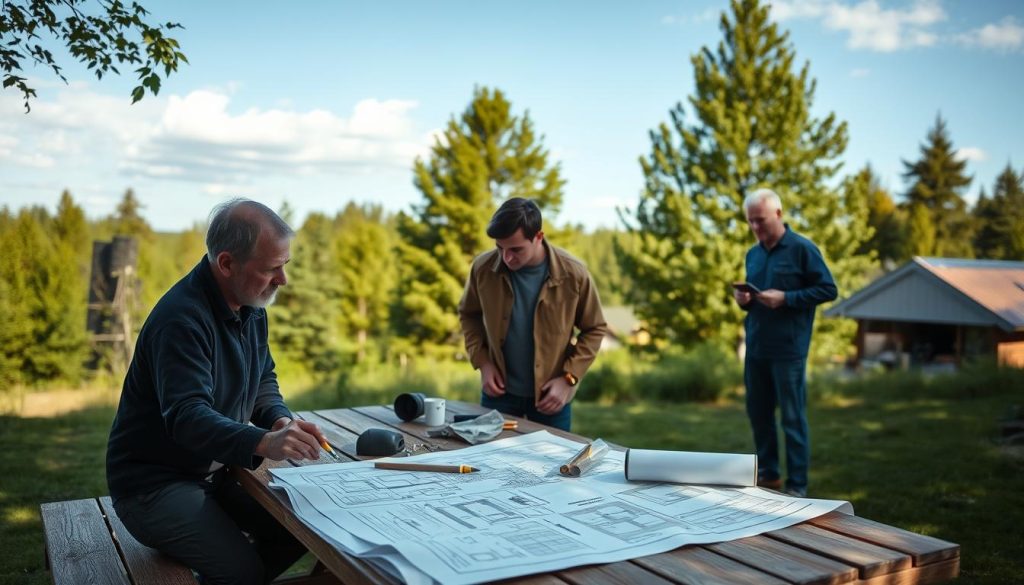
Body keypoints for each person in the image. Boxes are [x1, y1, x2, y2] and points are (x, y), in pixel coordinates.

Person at [106, 198, 332, 585]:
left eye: (284, 266)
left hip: (213, 472)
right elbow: (187, 416)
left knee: (305, 529)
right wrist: (265, 442)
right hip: (153, 485)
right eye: (271, 269)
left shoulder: (250, 306)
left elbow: (262, 380)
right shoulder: (181, 319)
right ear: (226, 263)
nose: (283, 280)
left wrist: (279, 418)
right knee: (240, 571)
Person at [458, 197, 608, 431]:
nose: (506, 258)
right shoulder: (483, 268)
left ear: (539, 236)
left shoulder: (574, 274)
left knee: (553, 466)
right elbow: (468, 315)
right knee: (492, 464)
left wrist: (569, 378)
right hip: (498, 394)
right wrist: (484, 363)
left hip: (552, 396)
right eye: (500, 248)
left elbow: (595, 328)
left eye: (516, 249)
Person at [734, 188, 837, 498]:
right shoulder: (752, 254)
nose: (755, 227)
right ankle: (769, 475)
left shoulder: (803, 249)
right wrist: (744, 300)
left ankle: (797, 486)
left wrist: (787, 298)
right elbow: (753, 302)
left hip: (789, 350)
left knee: (792, 418)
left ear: (778, 214)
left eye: (760, 220)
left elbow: (828, 290)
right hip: (757, 348)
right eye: (750, 221)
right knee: (759, 413)